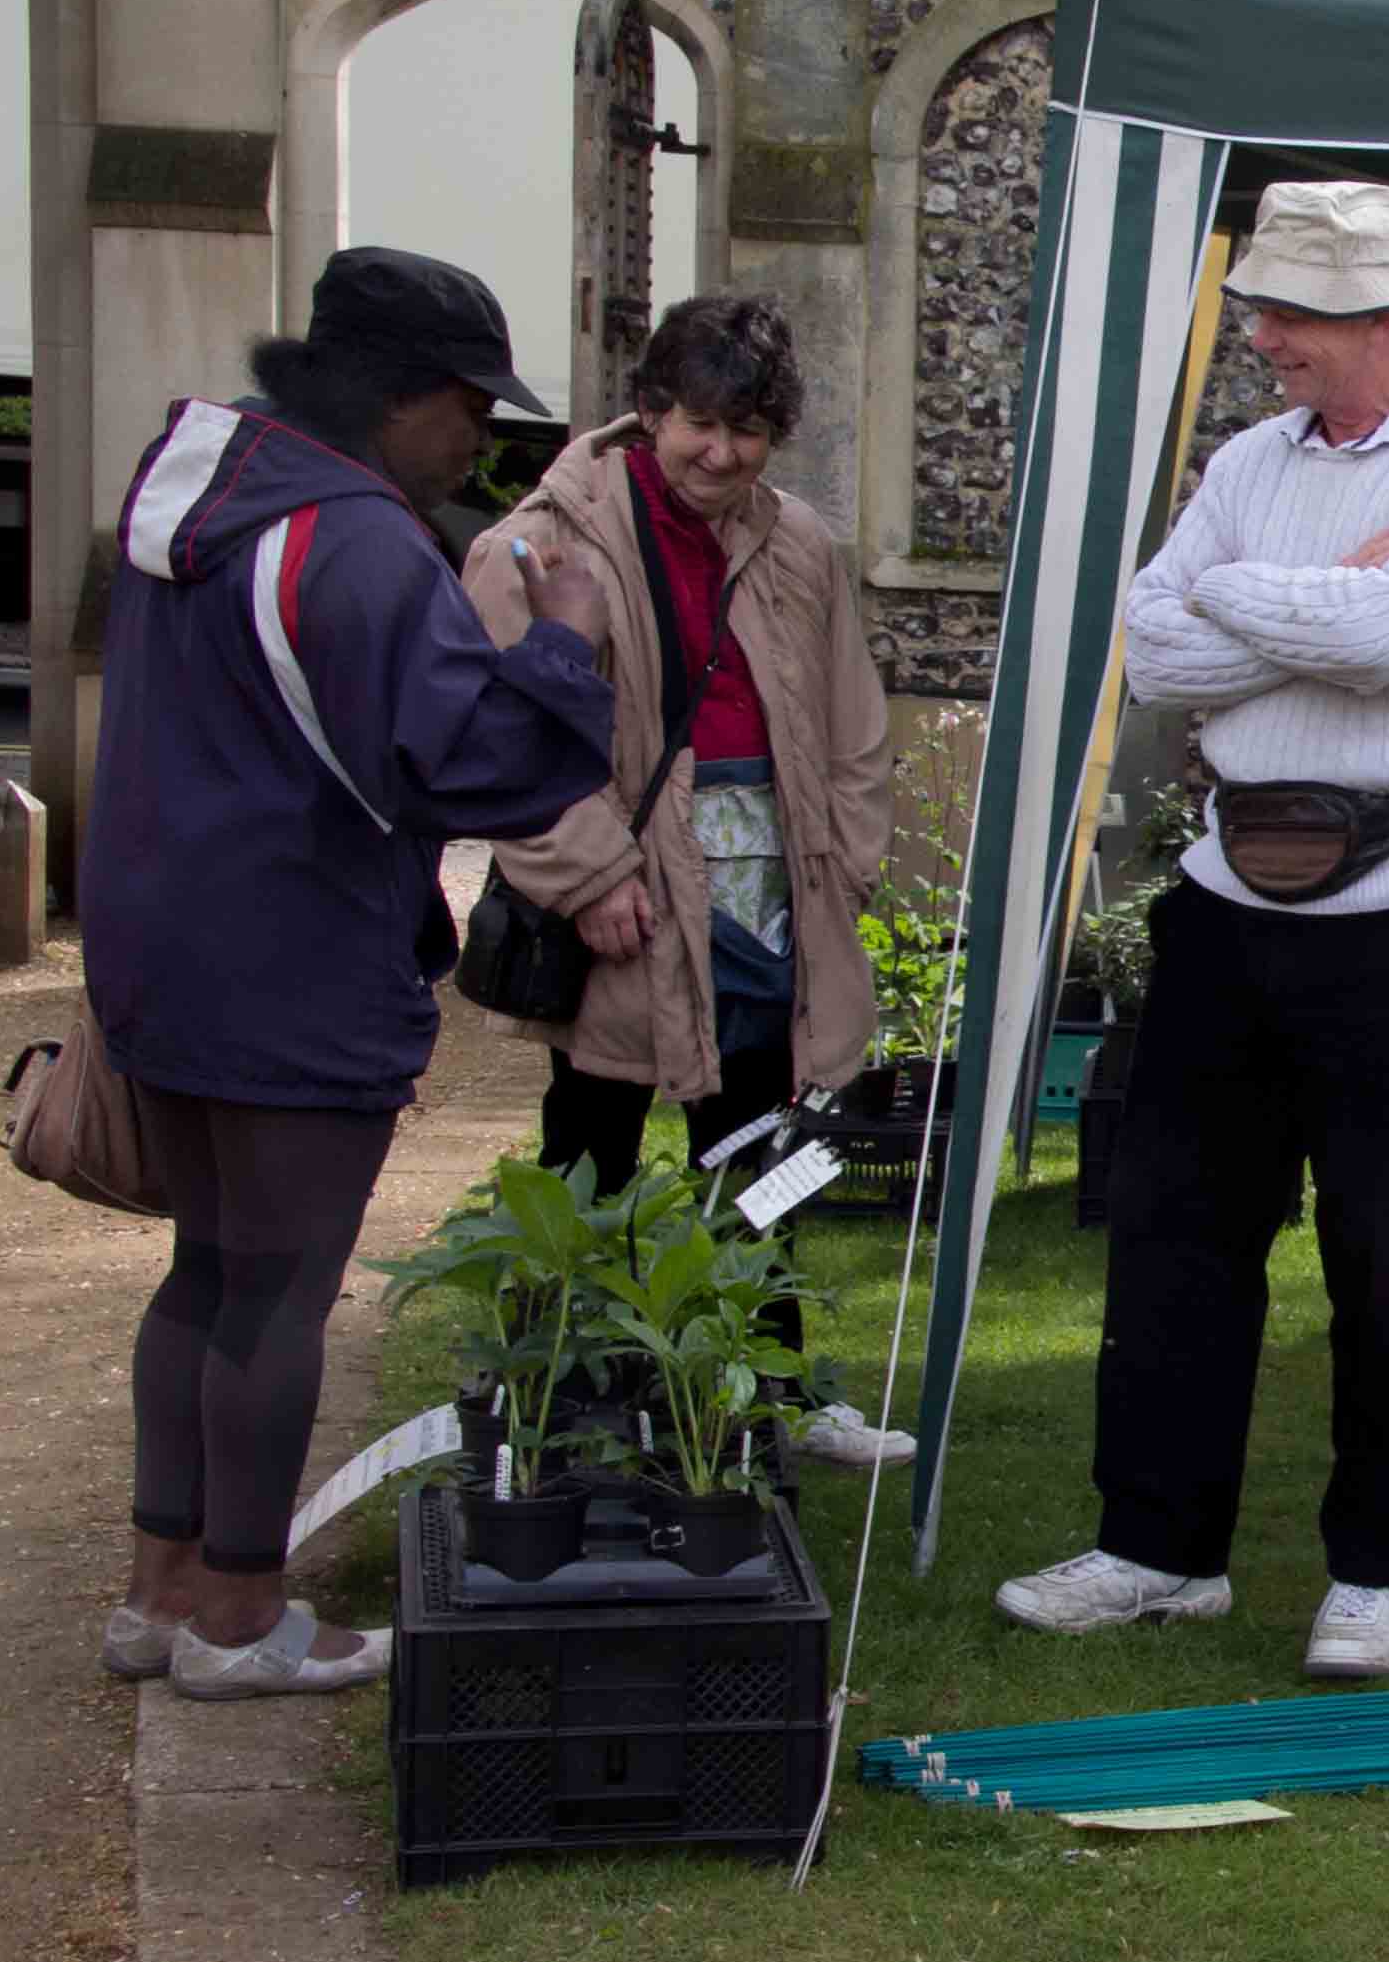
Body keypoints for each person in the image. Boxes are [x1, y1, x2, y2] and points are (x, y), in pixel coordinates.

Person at [996, 181, 1389, 1681]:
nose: (1264, 340)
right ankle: (1159, 1548)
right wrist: (1306, 602)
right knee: (1175, 1233)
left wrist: (1267, 612)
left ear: (1380, 318)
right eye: (1262, 314)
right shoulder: (1250, 459)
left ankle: (1375, 1572)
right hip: (1232, 901)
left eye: (1287, 315)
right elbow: (1152, 641)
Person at [85, 247, 618, 1699]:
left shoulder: (191, 498)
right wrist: (563, 641)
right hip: (296, 953)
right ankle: (243, 1622)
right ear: (403, 400)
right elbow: (484, 766)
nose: (477, 443)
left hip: (160, 942)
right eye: (468, 410)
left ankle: (159, 1592)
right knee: (280, 1291)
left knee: (202, 1272)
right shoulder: (362, 543)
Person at [463, 293, 907, 1467]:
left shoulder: (798, 540)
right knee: (591, 1147)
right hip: (627, 883)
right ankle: (553, 1403)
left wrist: (847, 863)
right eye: (701, 423)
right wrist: (590, 872)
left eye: (750, 429)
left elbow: (853, 716)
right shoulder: (540, 540)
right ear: (650, 410)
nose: (722, 452)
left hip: (772, 882)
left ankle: (774, 1393)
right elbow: (506, 746)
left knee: (759, 1142)